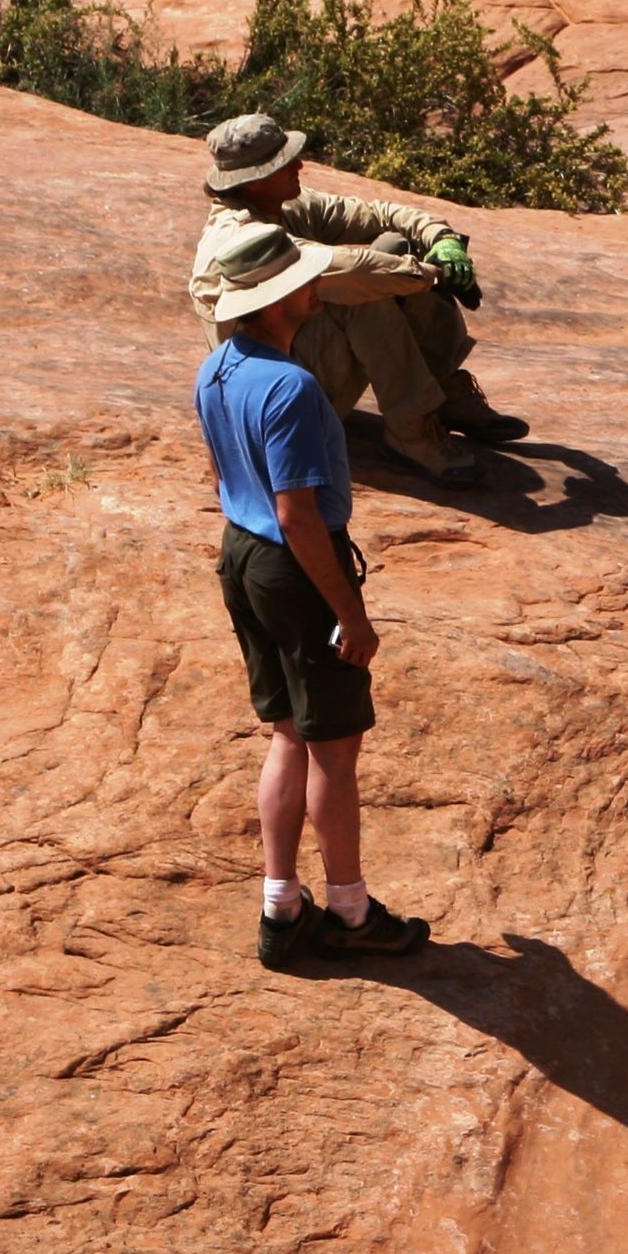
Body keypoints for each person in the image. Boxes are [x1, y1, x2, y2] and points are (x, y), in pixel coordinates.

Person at [194, 224, 431, 967]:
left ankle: (281, 907)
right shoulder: (289, 387)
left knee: (288, 733)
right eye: (304, 278)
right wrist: (350, 614)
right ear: (281, 297)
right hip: (292, 567)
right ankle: (351, 915)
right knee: (332, 748)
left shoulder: (217, 367)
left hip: (241, 554)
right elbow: (297, 514)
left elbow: (220, 471)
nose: (314, 284)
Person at [190, 115, 526, 489]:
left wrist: (442, 239)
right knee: (363, 294)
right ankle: (411, 432)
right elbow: (348, 269)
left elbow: (380, 214)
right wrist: (435, 275)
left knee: (400, 248)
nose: (299, 164)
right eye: (285, 162)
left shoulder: (284, 205)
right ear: (255, 179)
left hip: (302, 360)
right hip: (279, 394)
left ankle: (443, 391)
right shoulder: (240, 235)